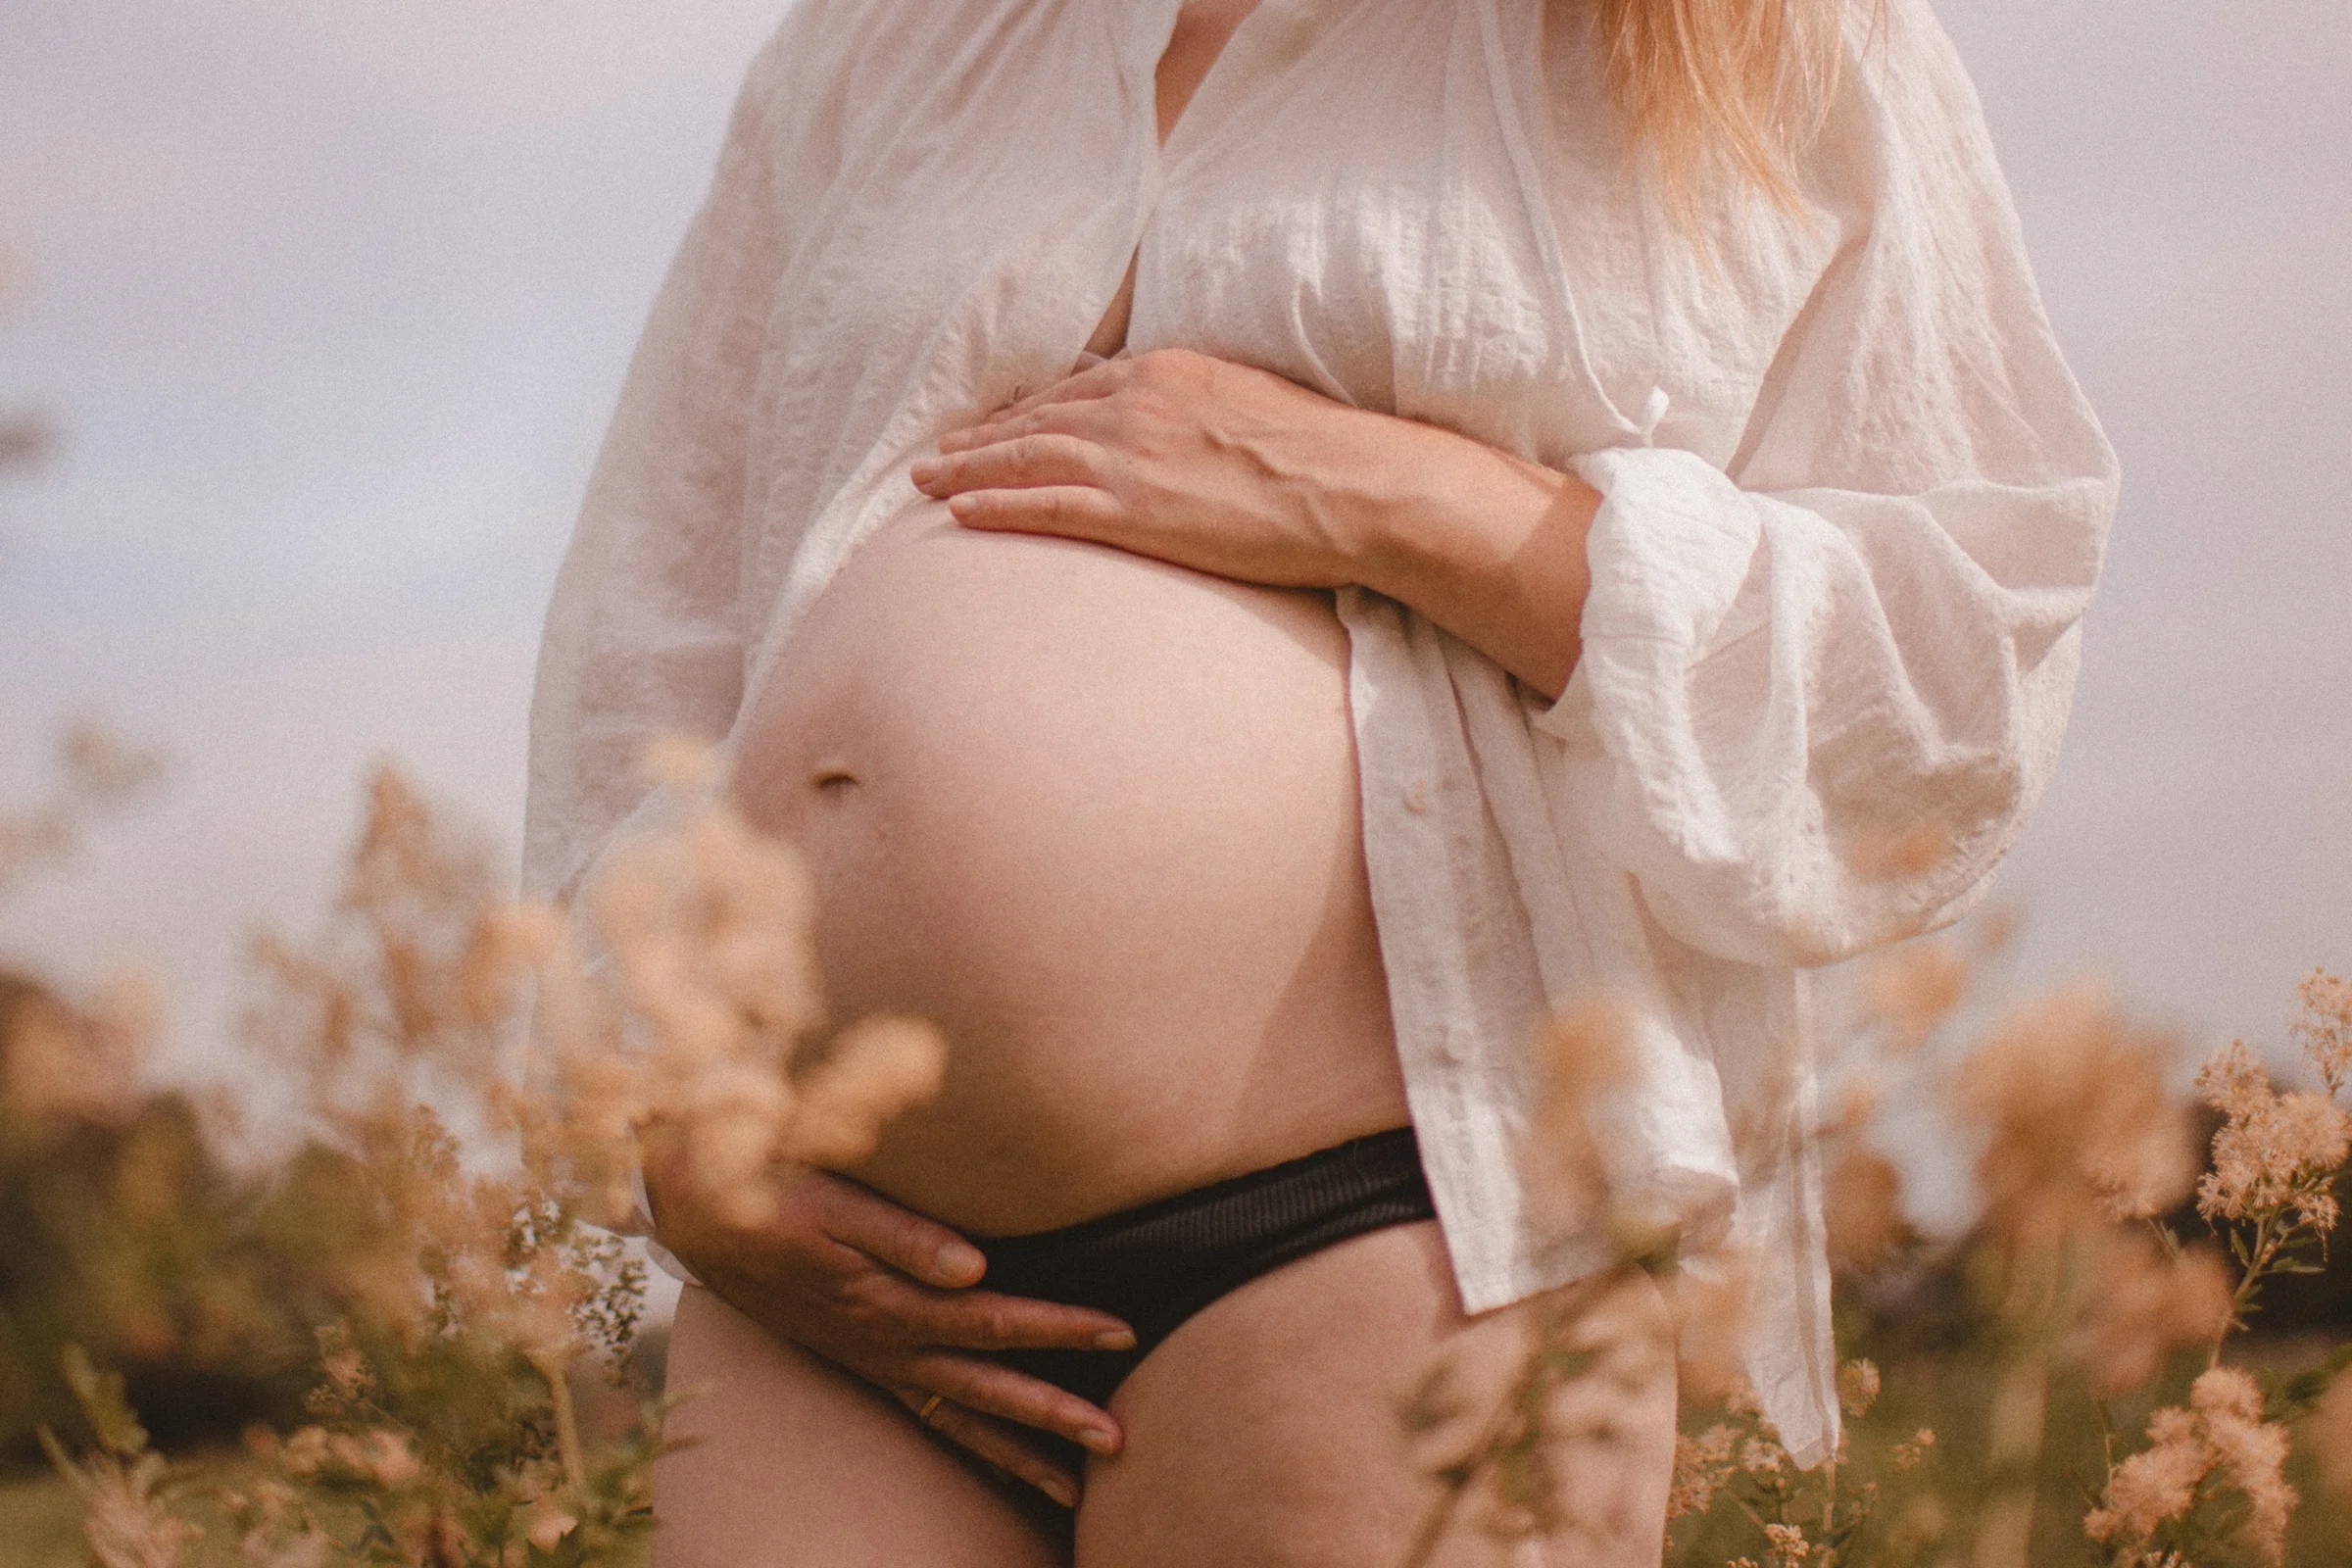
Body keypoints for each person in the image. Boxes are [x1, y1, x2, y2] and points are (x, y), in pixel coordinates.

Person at [521, 0, 2117, 1560]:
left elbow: (1953, 661)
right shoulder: (878, 46)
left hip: (1388, 1222)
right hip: (828, 1272)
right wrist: (671, 1124)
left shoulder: (1758, 44)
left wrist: (1390, 493)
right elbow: (657, 635)